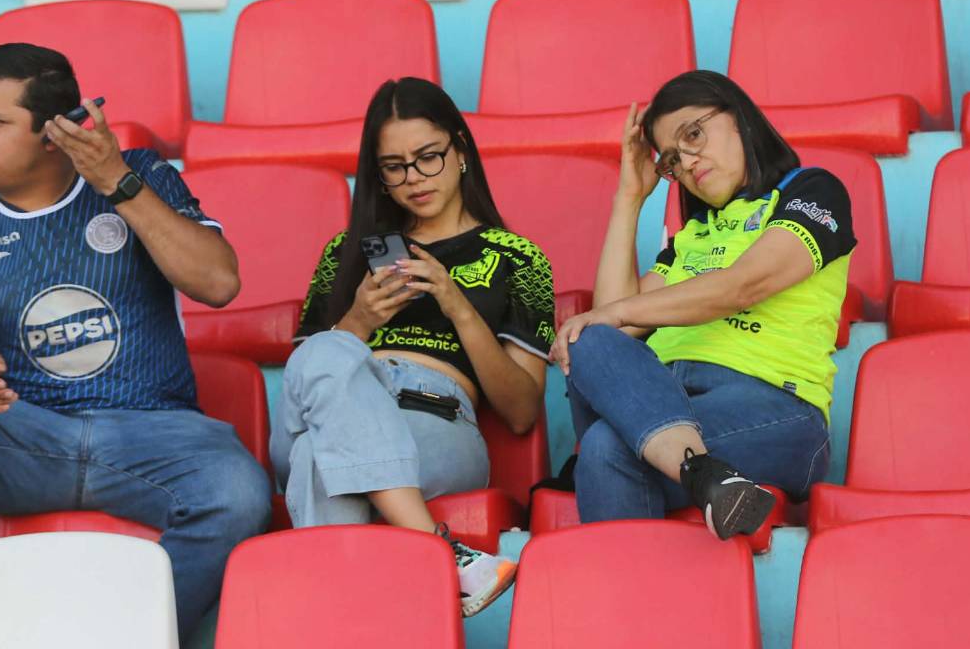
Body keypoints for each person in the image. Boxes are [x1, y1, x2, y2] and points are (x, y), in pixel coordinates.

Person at [0, 43, 271, 642]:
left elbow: (218, 282)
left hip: (153, 432)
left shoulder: (144, 174)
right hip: (25, 436)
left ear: (52, 133)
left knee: (237, 493)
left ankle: (135, 635)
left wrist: (118, 183)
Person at [270, 77, 556, 616]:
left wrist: (455, 302)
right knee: (329, 357)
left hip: (434, 421)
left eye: (428, 158)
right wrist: (356, 320)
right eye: (394, 166)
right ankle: (443, 554)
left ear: (461, 149)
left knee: (318, 460)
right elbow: (308, 377)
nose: (413, 179)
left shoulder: (519, 259)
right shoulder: (343, 253)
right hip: (328, 409)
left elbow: (519, 412)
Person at [552, 70, 854, 539]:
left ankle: (623, 601)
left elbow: (744, 286)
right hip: (664, 400)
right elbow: (610, 326)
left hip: (776, 409)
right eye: (672, 158)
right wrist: (630, 198)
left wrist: (615, 314)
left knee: (605, 446)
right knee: (588, 342)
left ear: (740, 118)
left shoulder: (810, 192)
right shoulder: (690, 237)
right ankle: (704, 475)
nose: (688, 162)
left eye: (693, 134)